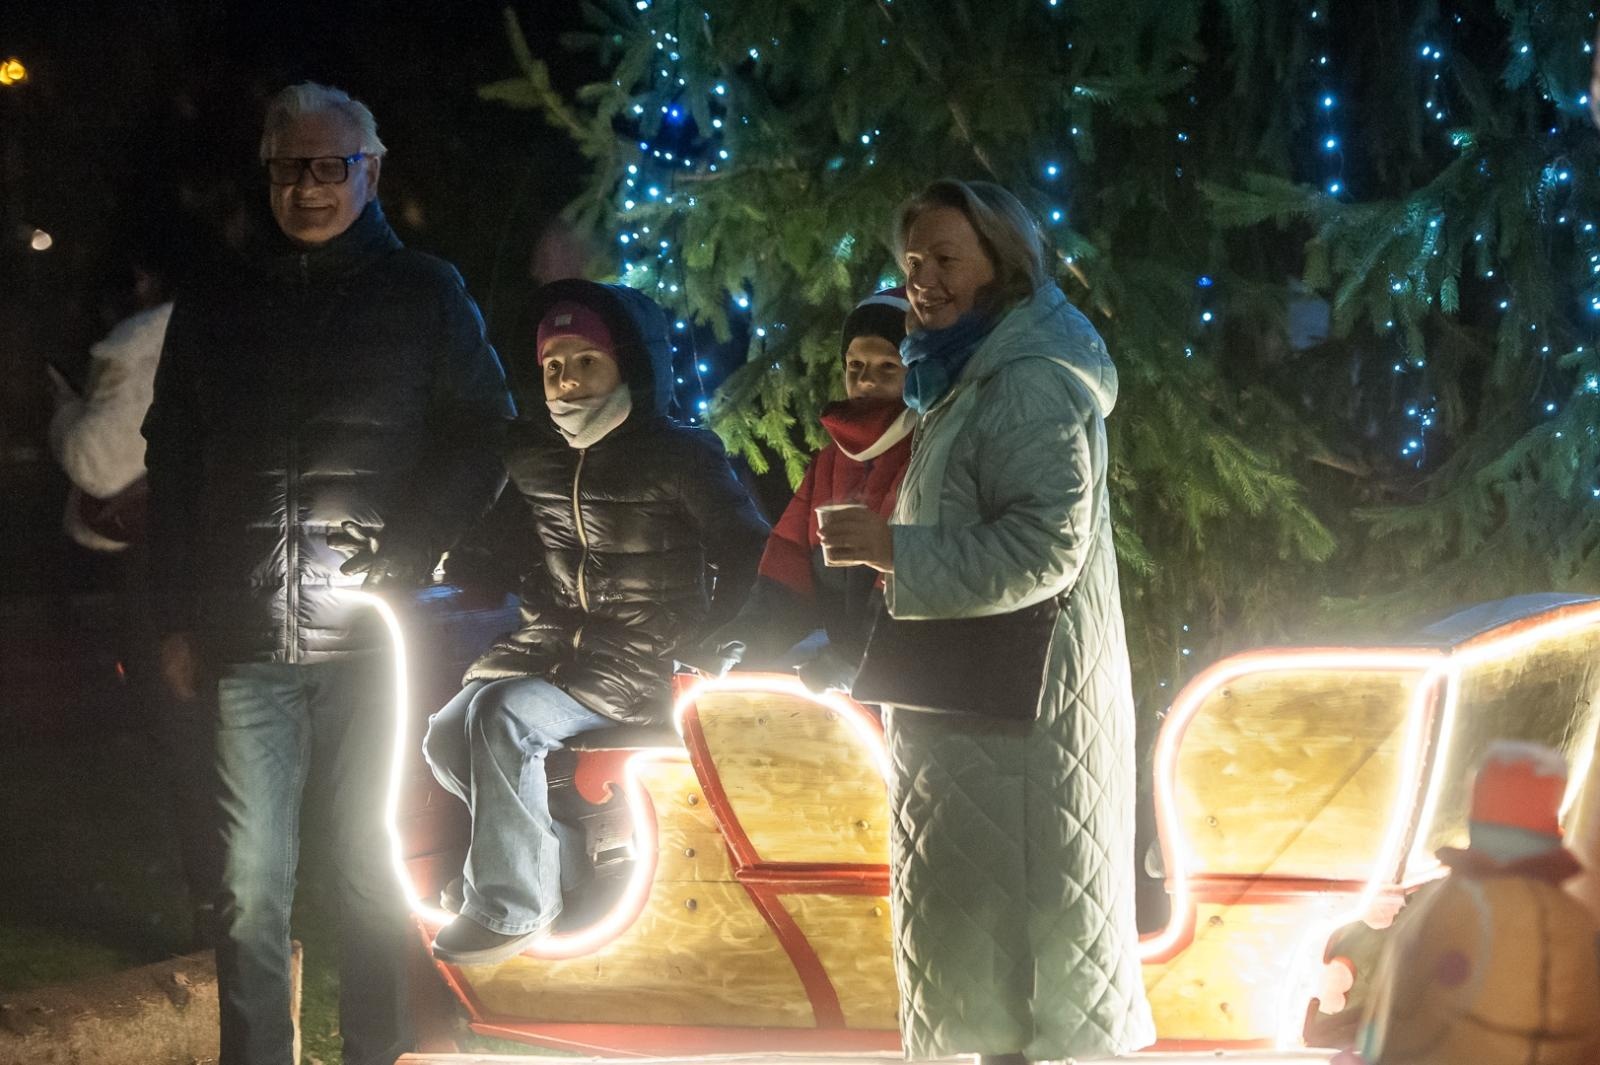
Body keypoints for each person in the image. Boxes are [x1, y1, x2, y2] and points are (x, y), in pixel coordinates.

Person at [141, 82, 515, 1065]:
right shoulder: (217, 302)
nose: (307, 188)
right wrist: (175, 618)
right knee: (250, 884)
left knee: (368, 869)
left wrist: (407, 546)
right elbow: (171, 462)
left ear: (370, 172)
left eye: (328, 166)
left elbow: (484, 434)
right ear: (266, 174)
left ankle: (375, 1052)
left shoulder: (423, 293)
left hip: (370, 645)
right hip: (244, 640)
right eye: (287, 168)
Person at [818, 179, 1155, 1063]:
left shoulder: (1029, 384)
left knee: (1023, 981)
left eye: (946, 259)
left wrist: (895, 553)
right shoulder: (964, 374)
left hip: (1021, 724)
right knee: (990, 969)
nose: (922, 280)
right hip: (976, 714)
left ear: (1000, 262)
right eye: (912, 261)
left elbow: (1046, 549)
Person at [422, 279, 769, 966]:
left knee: (502, 716)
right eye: (554, 367)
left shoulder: (679, 454)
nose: (568, 382)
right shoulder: (535, 456)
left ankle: (510, 905)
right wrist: (453, 562)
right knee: (442, 736)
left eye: (586, 362)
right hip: (557, 645)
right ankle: (549, 866)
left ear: (627, 365)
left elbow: (747, 548)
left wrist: (714, 641)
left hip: (646, 656)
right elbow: (515, 546)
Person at [685, 288, 914, 691]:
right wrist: (745, 639)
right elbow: (788, 562)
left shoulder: (923, 452)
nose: (865, 380)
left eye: (886, 367)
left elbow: (909, 581)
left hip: (898, 675)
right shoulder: (830, 460)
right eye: (855, 365)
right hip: (843, 670)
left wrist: (855, 659)